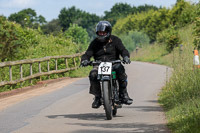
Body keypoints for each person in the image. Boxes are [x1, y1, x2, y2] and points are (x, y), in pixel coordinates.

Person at [81, 21, 133, 108]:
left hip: (114, 63)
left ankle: (123, 94)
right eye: (99, 33)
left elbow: (123, 50)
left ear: (108, 32)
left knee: (121, 71)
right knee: (93, 74)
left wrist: (126, 57)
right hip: (99, 64)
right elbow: (87, 53)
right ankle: (97, 97)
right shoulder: (94, 43)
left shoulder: (116, 40)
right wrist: (84, 60)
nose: (101, 34)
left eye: (103, 32)